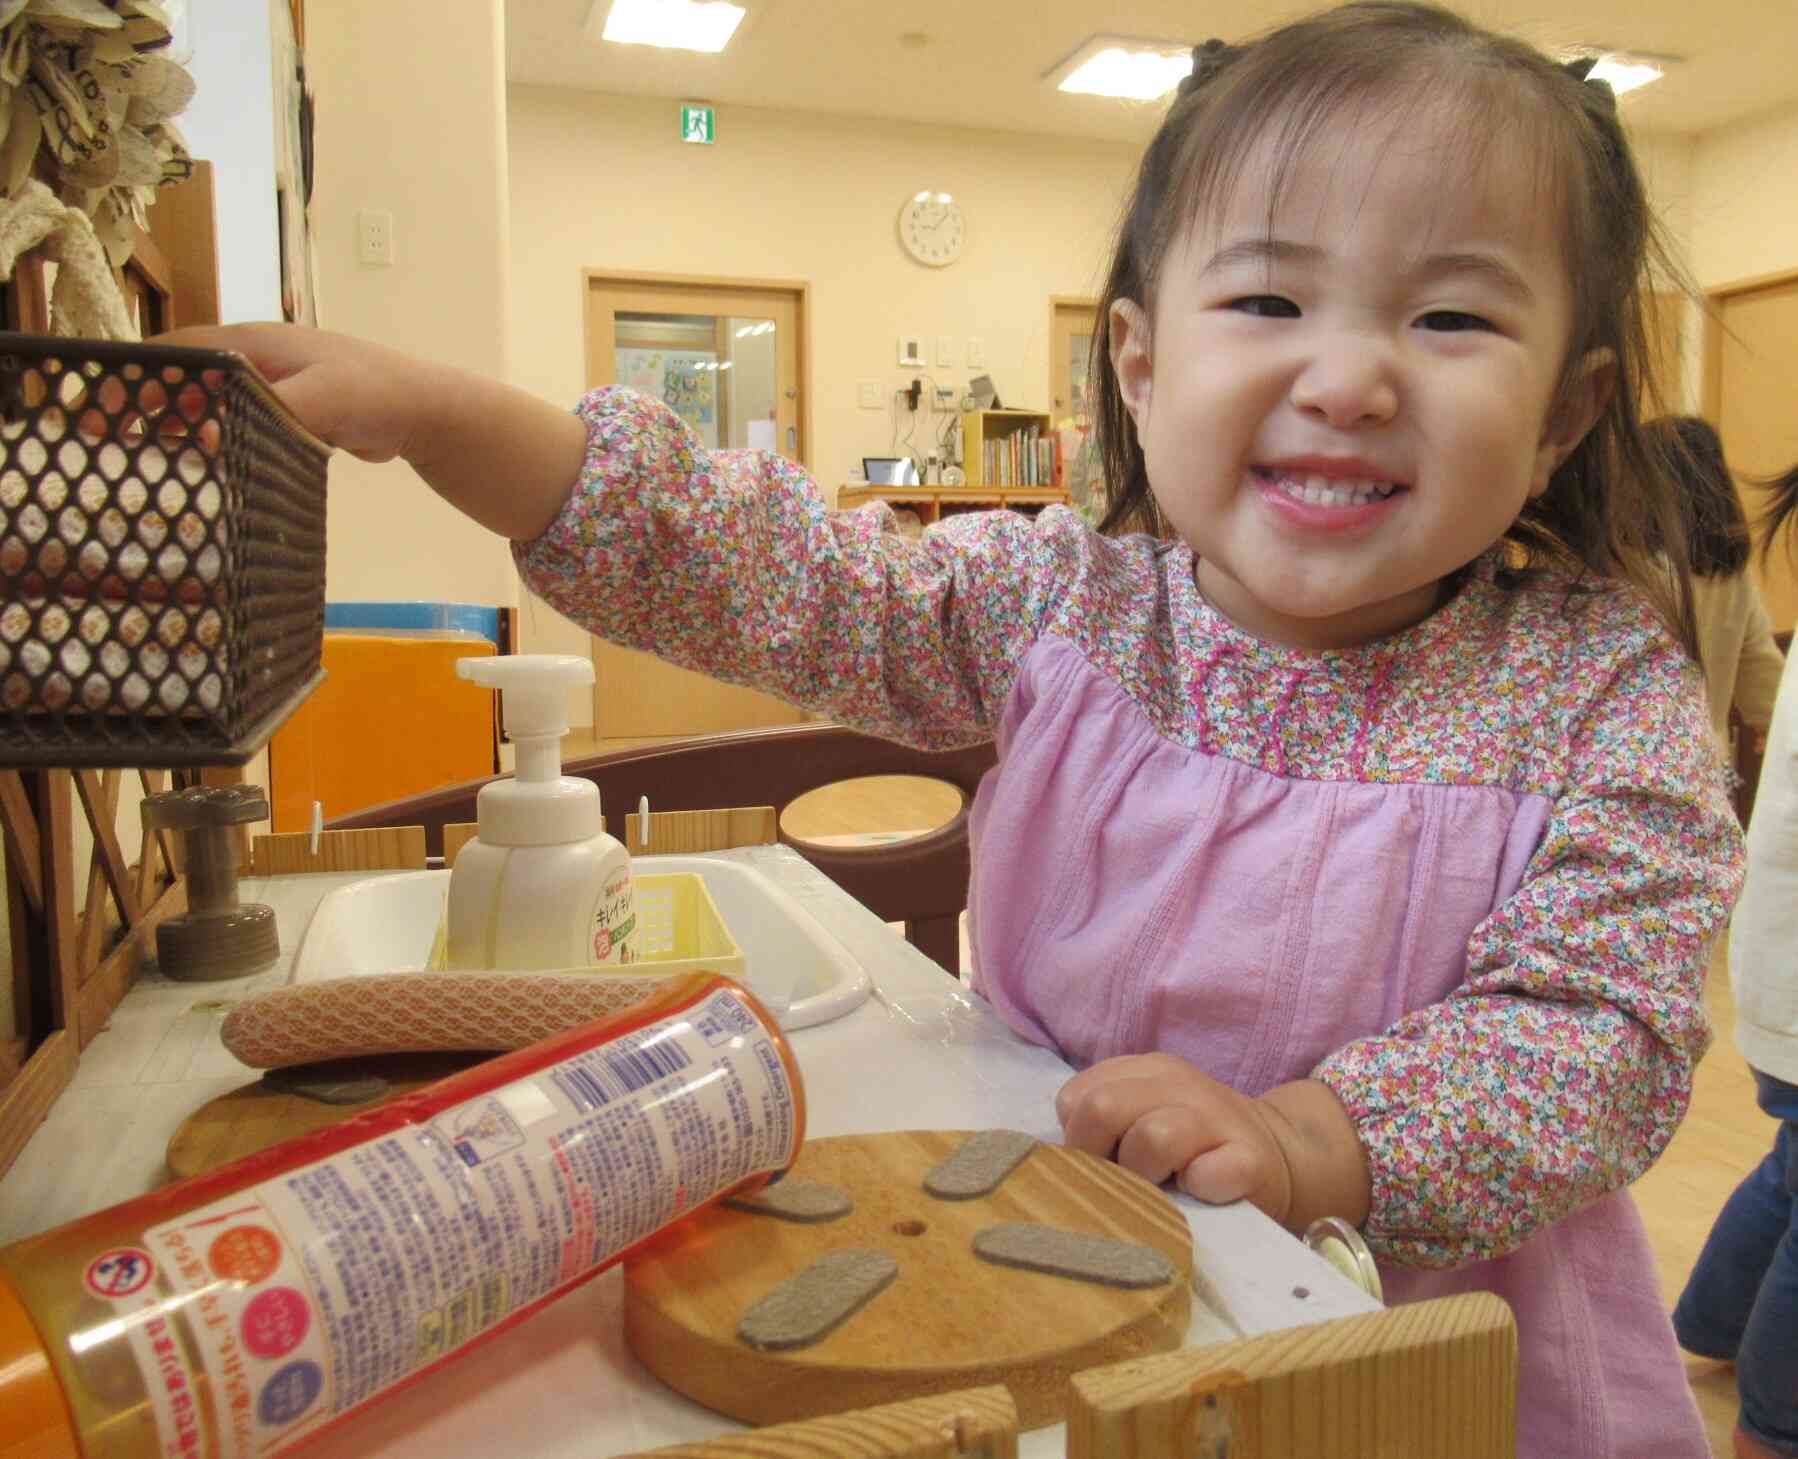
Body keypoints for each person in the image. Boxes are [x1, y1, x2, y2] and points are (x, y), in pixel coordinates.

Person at [160, 4, 1741, 1453]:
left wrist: (1304, 1136)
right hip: (1046, 1281)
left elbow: (1596, 1034)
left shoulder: (1597, 693)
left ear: (1564, 413)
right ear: (1136, 361)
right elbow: (783, 573)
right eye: (1266, 296)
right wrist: (447, 416)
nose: (1347, 376)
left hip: (1423, 1368)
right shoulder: (1066, 598)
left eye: (1451, 320)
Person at [1674, 459, 1798, 1459]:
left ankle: (1708, 1331)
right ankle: (1774, 1421)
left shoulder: (1631, 567)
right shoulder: (1728, 576)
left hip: (1757, 923)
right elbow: (1758, 683)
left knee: (1788, 1164)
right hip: (1714, 842)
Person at [1646, 415, 1785, 769]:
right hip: (1708, 767)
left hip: (1642, 766)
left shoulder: (1628, 571)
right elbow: (1765, 688)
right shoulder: (1732, 577)